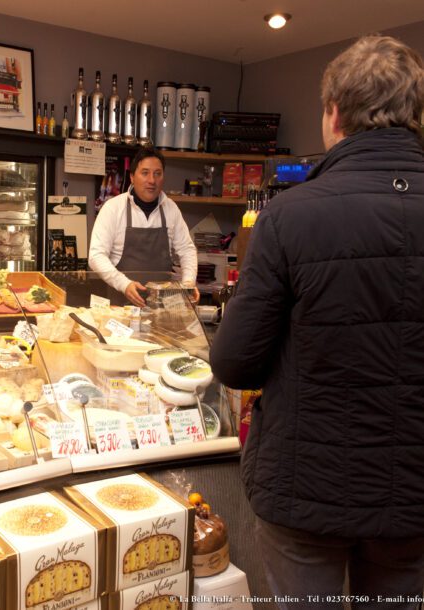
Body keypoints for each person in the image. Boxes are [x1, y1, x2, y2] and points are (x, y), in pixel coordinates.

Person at [210, 35, 424, 609]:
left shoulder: (289, 216)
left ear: (333, 114)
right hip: (412, 496)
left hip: (306, 490)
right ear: (415, 115)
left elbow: (234, 362)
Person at [88, 146, 199, 307]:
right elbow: (96, 256)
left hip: (162, 309)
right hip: (121, 308)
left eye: (157, 174)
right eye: (145, 173)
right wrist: (124, 284)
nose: (152, 180)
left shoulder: (171, 208)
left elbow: (187, 249)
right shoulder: (113, 208)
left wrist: (188, 283)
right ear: (132, 177)